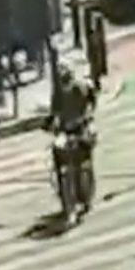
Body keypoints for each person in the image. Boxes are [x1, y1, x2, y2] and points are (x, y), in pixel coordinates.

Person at [50, 69, 96, 218]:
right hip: (67, 132)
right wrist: (55, 125)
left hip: (81, 129)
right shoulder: (58, 94)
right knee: (57, 153)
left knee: (85, 157)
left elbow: (91, 104)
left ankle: (86, 190)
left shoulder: (81, 88)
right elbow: (54, 114)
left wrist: (86, 118)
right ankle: (66, 195)